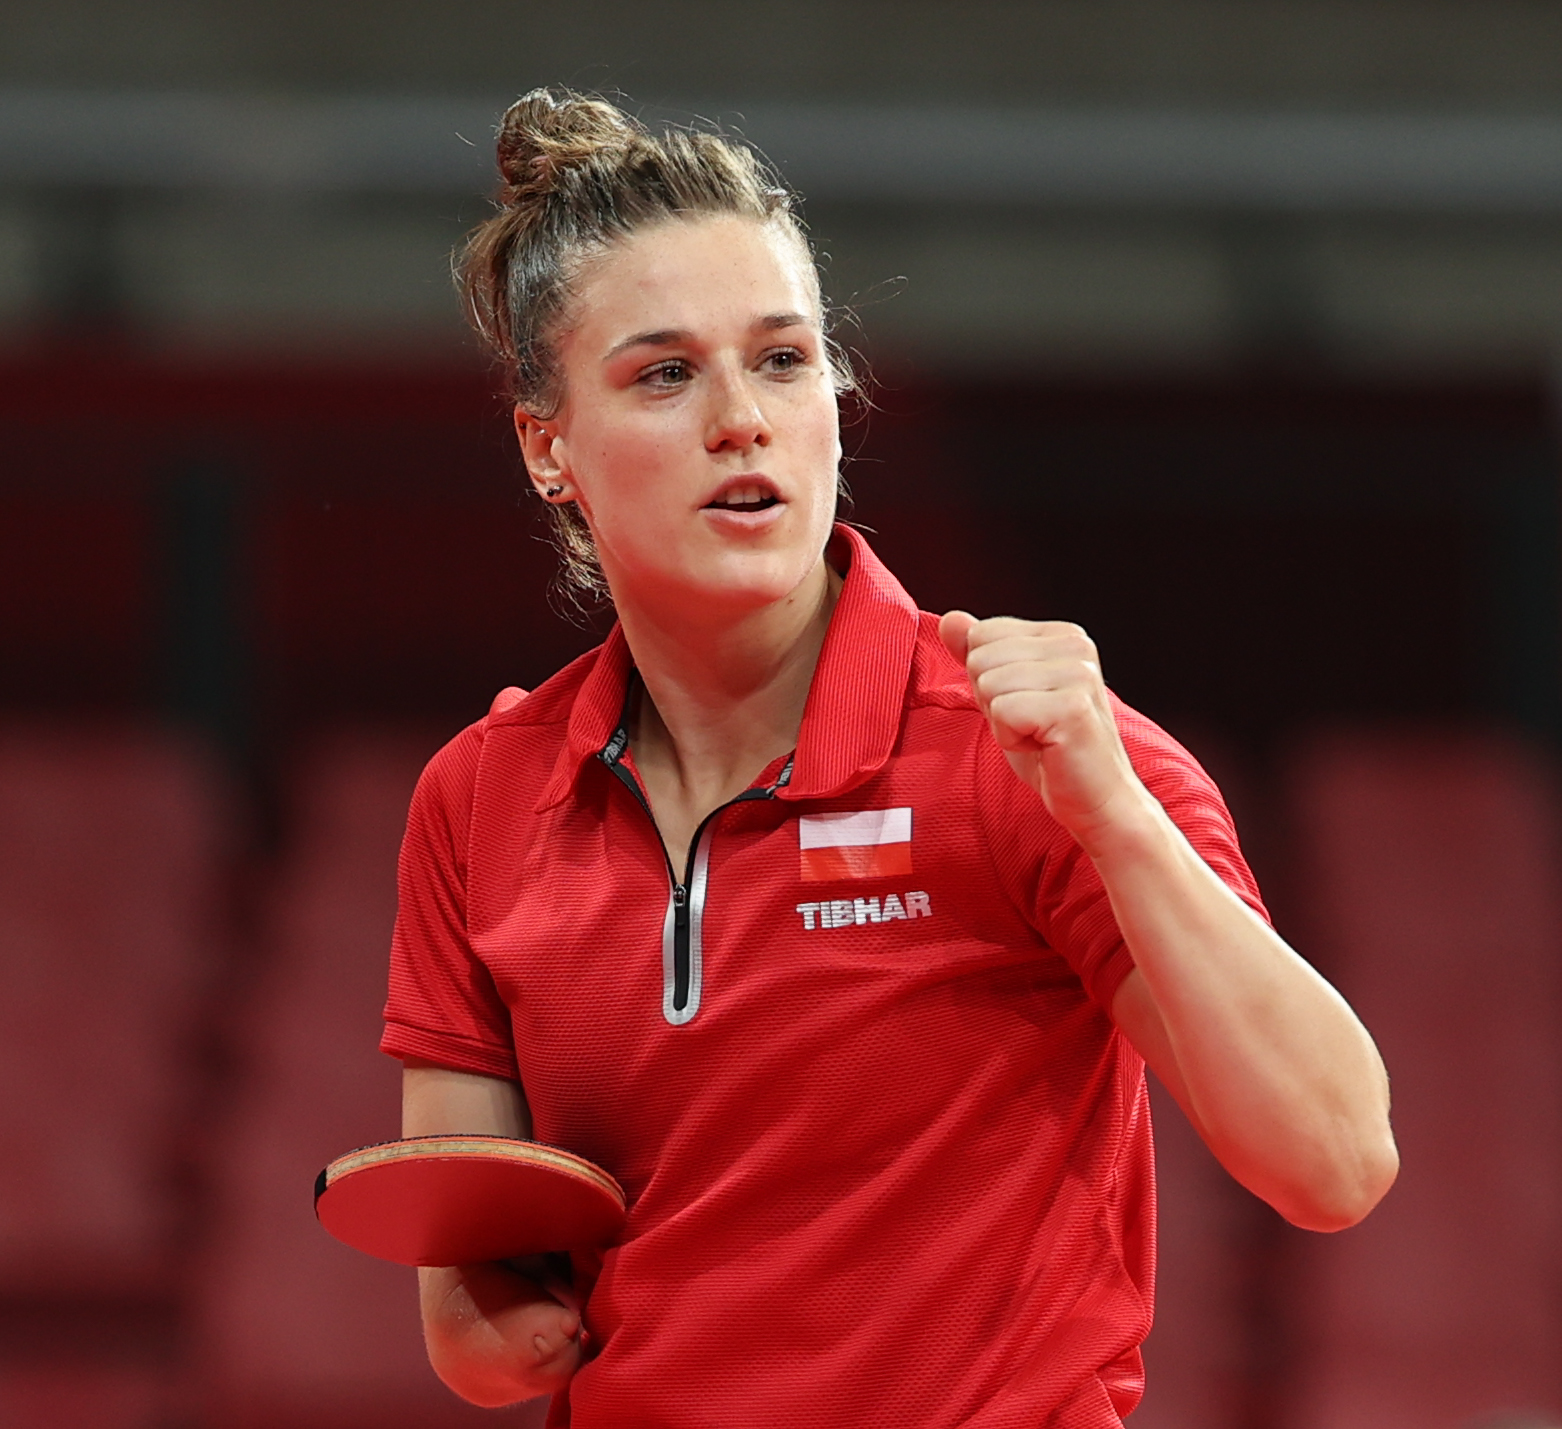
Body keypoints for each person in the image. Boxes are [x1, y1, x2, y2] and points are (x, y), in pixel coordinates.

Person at [384, 87, 1397, 1428]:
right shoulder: (482, 798)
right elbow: (468, 1283)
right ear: (547, 446)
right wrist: (485, 1322)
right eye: (663, 373)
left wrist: (1112, 813)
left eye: (785, 359)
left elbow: (1335, 1159)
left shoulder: (1026, 752)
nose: (741, 417)